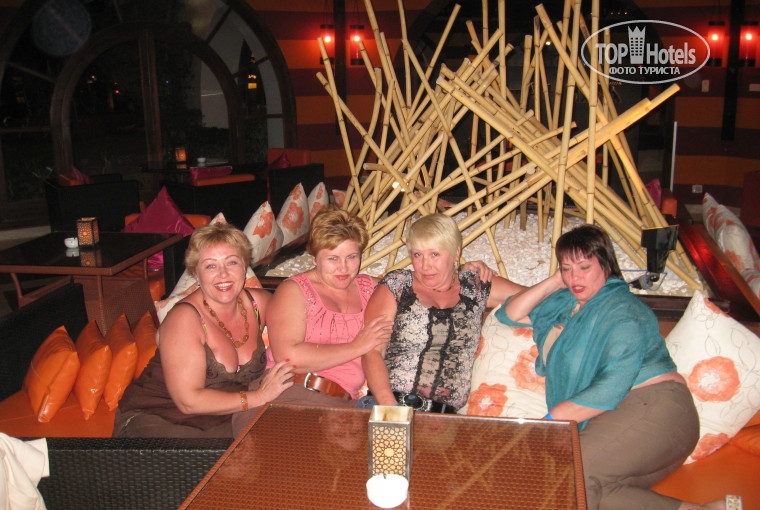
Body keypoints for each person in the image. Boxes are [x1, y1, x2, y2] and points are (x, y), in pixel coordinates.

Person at [497, 224, 725, 510]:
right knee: (583, 488)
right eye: (567, 269)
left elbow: (612, 384)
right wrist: (555, 281)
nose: (575, 277)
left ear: (606, 265)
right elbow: (510, 313)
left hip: (657, 411)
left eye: (584, 267)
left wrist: (548, 425)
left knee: (574, 471)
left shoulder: (622, 309)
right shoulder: (566, 304)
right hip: (614, 421)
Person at [114, 222, 294, 438]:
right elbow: (188, 402)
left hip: (225, 417)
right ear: (196, 274)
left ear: (244, 267)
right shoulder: (184, 319)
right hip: (159, 417)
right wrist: (258, 397)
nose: (223, 274)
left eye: (232, 262)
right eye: (210, 266)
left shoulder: (259, 304)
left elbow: (305, 327)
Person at [360, 213, 524, 413]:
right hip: (389, 404)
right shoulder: (398, 284)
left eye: (435, 255)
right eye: (417, 255)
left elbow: (538, 298)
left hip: (444, 418)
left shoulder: (476, 287)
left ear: (456, 253)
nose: (425, 265)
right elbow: (372, 351)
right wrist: (391, 409)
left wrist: (557, 280)